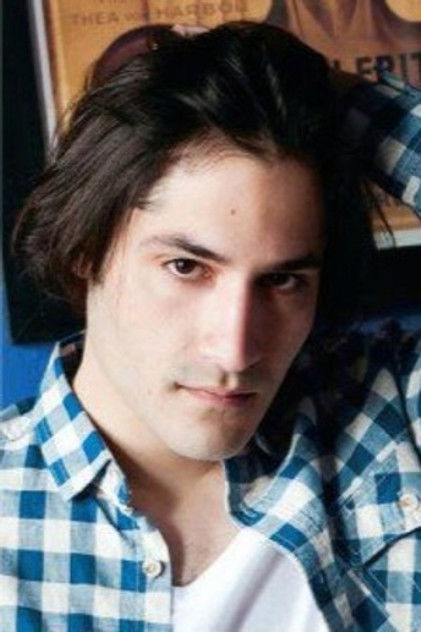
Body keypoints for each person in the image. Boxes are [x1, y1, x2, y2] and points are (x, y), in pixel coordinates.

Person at [1, 21, 420, 632]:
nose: (235, 348)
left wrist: (334, 98)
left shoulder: (388, 422)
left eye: (282, 280)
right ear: (84, 248)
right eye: (186, 267)